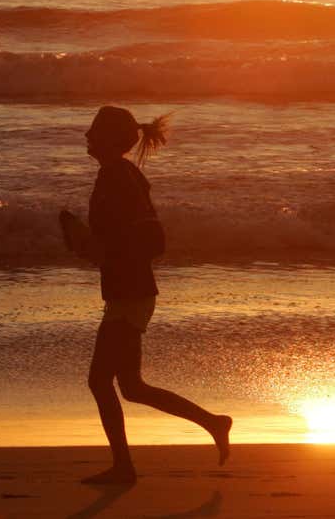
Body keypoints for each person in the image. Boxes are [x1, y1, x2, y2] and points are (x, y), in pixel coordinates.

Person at [59, 105, 231, 485]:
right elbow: (118, 238)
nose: (86, 137)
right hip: (126, 289)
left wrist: (88, 241)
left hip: (131, 291)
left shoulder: (118, 176)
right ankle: (213, 422)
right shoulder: (116, 174)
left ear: (108, 140)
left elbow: (145, 237)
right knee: (131, 387)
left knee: (100, 381)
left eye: (93, 132)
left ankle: (124, 468)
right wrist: (86, 239)